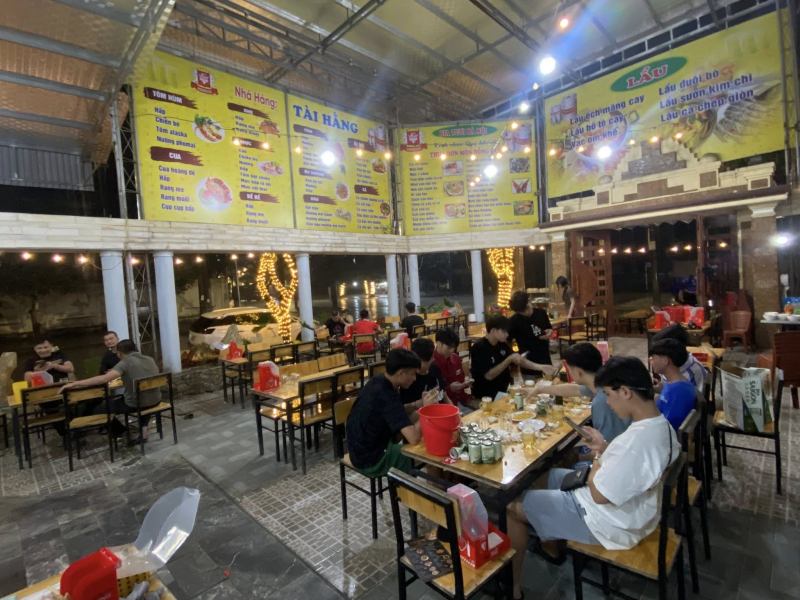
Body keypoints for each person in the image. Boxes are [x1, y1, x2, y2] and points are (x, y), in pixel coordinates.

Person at [505, 356, 679, 600]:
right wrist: (605, 447)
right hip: (633, 507)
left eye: (608, 394)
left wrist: (598, 456)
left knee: (512, 508)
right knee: (550, 475)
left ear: (626, 392)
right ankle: (552, 542)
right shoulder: (660, 426)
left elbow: (598, 494)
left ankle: (513, 589)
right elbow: (629, 468)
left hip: (610, 522)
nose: (607, 402)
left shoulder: (634, 443)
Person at [346, 349, 439, 476]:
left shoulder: (379, 380)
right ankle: (407, 488)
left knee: (413, 417)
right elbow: (414, 438)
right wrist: (427, 410)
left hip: (359, 447)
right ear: (401, 373)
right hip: (370, 459)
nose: (414, 378)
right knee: (424, 452)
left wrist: (420, 404)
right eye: (412, 374)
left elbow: (397, 411)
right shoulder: (386, 394)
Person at [61, 339, 160, 445]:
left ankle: (120, 432)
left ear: (120, 353)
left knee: (100, 408)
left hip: (136, 404)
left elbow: (103, 379)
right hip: (156, 399)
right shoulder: (150, 359)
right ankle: (143, 433)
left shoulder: (125, 362)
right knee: (142, 397)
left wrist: (75, 383)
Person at [533, 342, 629, 446]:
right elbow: (575, 389)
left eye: (569, 369)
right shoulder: (604, 382)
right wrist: (540, 389)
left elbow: (608, 446)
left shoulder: (601, 402)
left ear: (578, 372)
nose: (569, 372)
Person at [470, 315, 554, 401]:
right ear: (493, 330)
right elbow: (489, 376)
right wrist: (509, 359)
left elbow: (518, 360)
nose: (507, 334)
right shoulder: (479, 348)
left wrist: (541, 367)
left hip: (503, 392)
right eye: (504, 331)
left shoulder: (502, 344)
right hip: (486, 397)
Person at [649, 339, 697, 431]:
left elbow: (668, 428)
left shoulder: (678, 392)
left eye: (653, 357)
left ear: (666, 361)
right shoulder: (675, 383)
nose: (650, 360)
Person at [651, 323, 706, 393]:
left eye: (655, 355)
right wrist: (662, 388)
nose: (651, 359)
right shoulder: (669, 365)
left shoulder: (693, 373)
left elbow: (696, 398)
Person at [400, 337, 452, 412]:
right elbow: (406, 412)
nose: (433, 359)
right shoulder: (408, 379)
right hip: (423, 416)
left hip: (440, 412)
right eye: (431, 358)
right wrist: (423, 405)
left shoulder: (434, 369)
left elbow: (445, 396)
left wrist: (455, 412)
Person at [508, 291, 553, 374]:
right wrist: (516, 354)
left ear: (528, 303)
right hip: (528, 364)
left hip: (545, 358)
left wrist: (549, 333)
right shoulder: (513, 321)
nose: (523, 314)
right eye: (520, 312)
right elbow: (508, 342)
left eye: (524, 311)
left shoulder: (541, 313)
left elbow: (549, 328)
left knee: (549, 380)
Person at [432, 328, 476, 411]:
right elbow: (434, 395)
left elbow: (462, 380)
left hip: (461, 402)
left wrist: (466, 385)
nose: (452, 351)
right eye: (449, 347)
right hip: (442, 407)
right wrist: (449, 389)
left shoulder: (455, 358)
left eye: (454, 348)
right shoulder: (431, 364)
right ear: (438, 343)